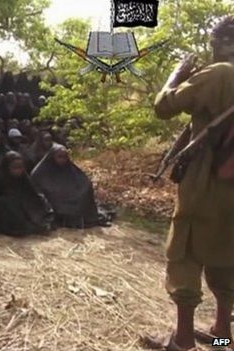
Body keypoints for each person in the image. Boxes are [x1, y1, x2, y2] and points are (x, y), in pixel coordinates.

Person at [144, 17, 234, 351]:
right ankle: (222, 334)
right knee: (227, 254)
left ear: (222, 43)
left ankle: (182, 341)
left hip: (206, 183)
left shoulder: (220, 74)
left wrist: (177, 75)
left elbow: (163, 107)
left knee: (185, 252)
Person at [31, 144, 105, 228]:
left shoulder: (70, 168)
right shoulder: (39, 172)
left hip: (69, 200)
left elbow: (85, 182)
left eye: (65, 157)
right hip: (52, 203)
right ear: (52, 156)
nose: (63, 160)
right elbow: (38, 191)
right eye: (59, 157)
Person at [0, 151, 52, 236]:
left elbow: (32, 191)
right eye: (15, 167)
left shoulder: (23, 176)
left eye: (20, 167)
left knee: (40, 199)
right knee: (11, 204)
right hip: (5, 209)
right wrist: (8, 199)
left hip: (22, 202)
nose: (18, 171)